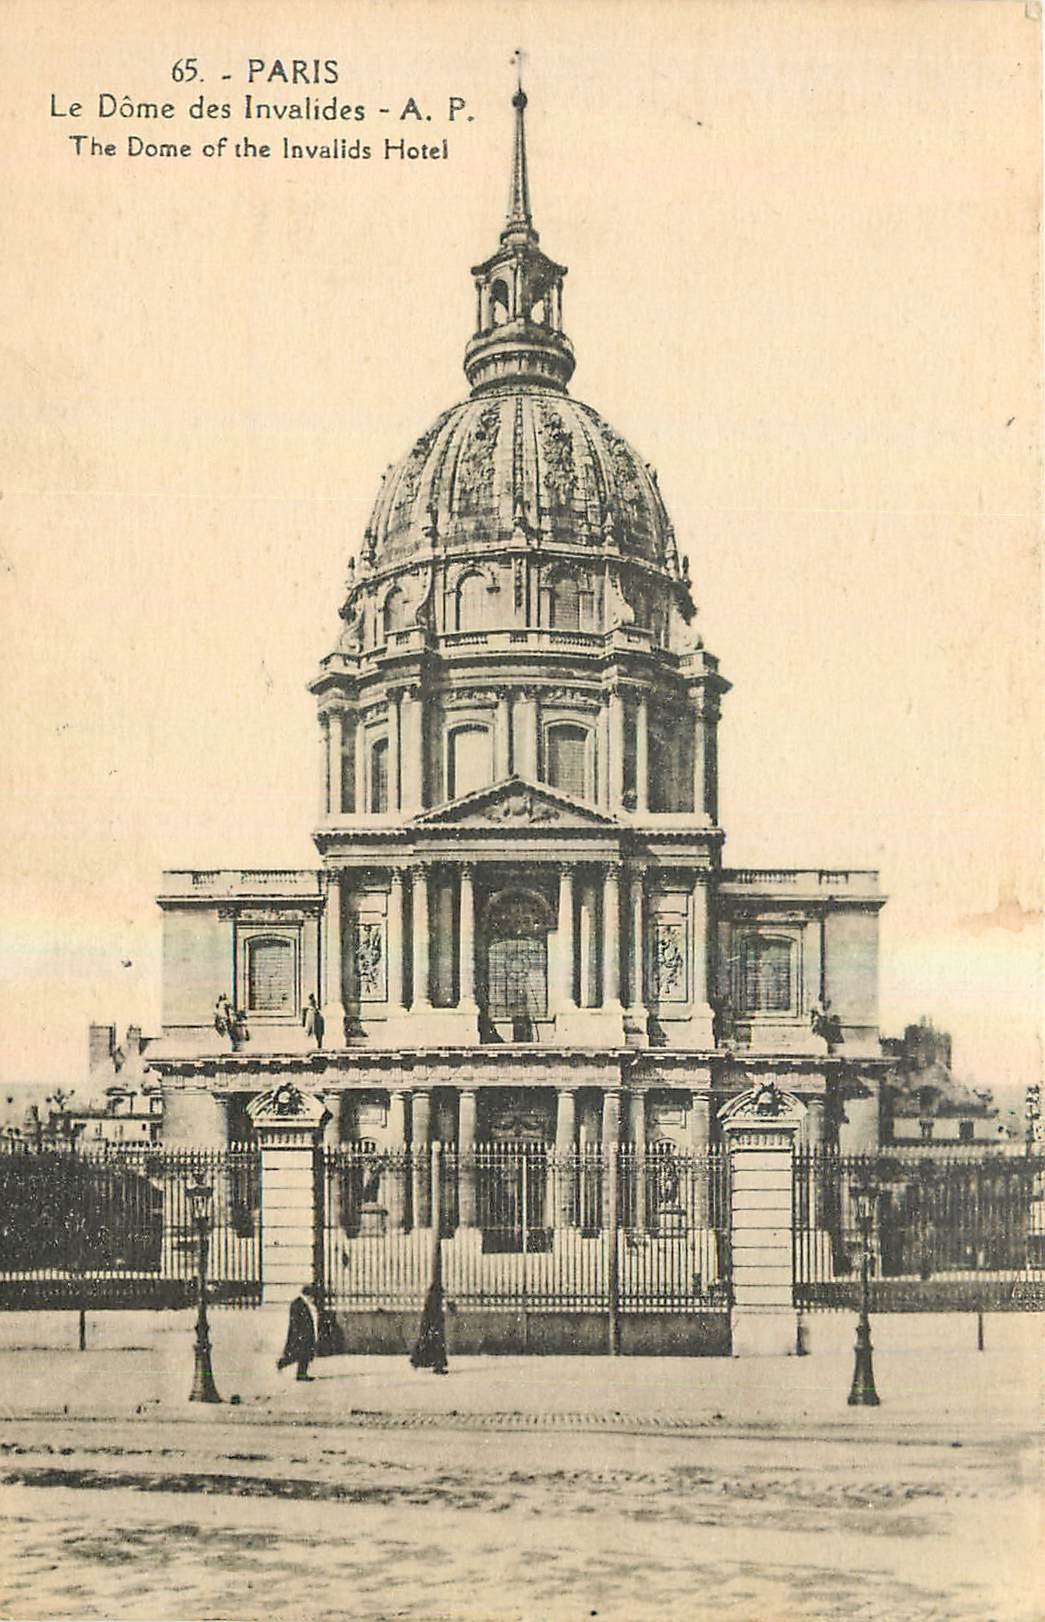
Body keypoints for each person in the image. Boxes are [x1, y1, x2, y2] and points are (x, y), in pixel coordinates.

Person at [410, 1240, 449, 1376]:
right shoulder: (434, 1290)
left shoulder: (434, 1290)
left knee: (429, 1338)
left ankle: (421, 1361)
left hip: (433, 1312)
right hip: (434, 1313)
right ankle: (436, 1364)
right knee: (434, 1338)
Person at [277, 1284, 319, 1381]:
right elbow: (295, 1322)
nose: (312, 1299)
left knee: (303, 1354)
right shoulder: (297, 1304)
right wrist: (298, 1335)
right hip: (300, 1334)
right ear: (307, 1295)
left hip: (305, 1334)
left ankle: (301, 1373)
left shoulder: (303, 1303)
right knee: (299, 1354)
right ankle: (283, 1364)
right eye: (311, 1297)